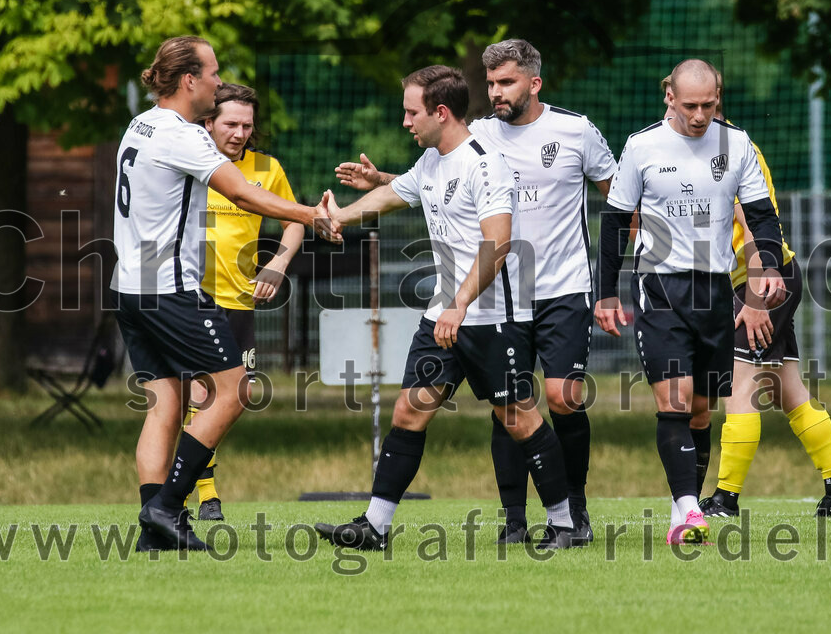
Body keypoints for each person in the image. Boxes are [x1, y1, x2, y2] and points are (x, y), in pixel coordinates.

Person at [335, 39, 616, 545]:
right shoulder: (437, 157)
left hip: (492, 315)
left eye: (410, 113)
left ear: (439, 113)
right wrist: (333, 216)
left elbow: (498, 243)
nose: (405, 123)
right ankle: (374, 526)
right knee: (410, 408)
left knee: (520, 414)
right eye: (490, 83)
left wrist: (461, 305)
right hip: (444, 314)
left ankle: (565, 521)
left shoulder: (488, 160)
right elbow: (394, 194)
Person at [114, 36, 339, 552]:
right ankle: (169, 507)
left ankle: (154, 527)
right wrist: (311, 214)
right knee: (235, 390)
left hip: (130, 286)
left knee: (164, 405)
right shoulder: (183, 135)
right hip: (170, 289)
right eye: (213, 73)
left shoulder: (139, 124)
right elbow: (241, 191)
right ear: (189, 80)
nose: (219, 82)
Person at [594, 59, 786, 545]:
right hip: (660, 286)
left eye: (709, 104)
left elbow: (762, 218)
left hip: (715, 289)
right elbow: (616, 222)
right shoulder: (641, 146)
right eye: (690, 105)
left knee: (702, 410)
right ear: (670, 98)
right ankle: (686, 511)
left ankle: (689, 505)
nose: (700, 115)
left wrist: (765, 279)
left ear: (717, 98)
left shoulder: (736, 143)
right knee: (674, 401)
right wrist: (606, 292)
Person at [692, 91, 831, 518]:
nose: (679, 116)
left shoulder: (725, 151)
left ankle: (725, 498)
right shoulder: (726, 144)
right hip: (774, 274)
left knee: (740, 389)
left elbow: (749, 224)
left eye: (694, 106)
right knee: (789, 390)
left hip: (760, 282)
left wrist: (755, 296)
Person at [181, 82, 306, 522]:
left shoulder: (266, 169)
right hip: (193, 297)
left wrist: (277, 264)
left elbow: (295, 221)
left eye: (247, 126)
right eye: (230, 123)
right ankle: (205, 495)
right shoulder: (189, 161)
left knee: (237, 395)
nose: (239, 133)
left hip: (239, 301)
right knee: (199, 393)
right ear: (208, 122)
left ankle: (189, 488)